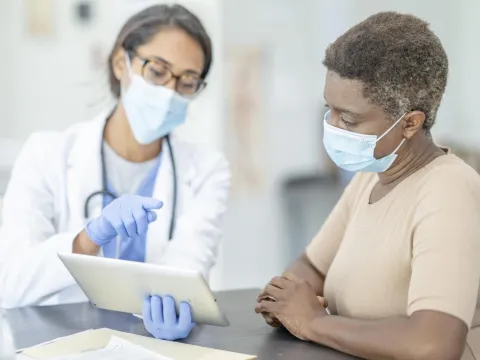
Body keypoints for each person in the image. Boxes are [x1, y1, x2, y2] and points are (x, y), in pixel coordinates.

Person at [256, 12, 480, 360]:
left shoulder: (451, 190)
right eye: (329, 110)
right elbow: (312, 267)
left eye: (348, 118)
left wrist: (312, 322)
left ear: (409, 123)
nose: (331, 126)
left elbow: (434, 345)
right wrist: (286, 300)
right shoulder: (371, 176)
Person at [0, 4, 230, 341]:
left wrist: (182, 307)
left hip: (150, 346)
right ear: (121, 63)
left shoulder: (208, 171)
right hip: (55, 344)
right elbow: (10, 284)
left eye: (187, 81)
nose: (169, 92)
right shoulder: (46, 154)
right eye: (157, 71)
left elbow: (189, 268)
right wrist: (89, 238)